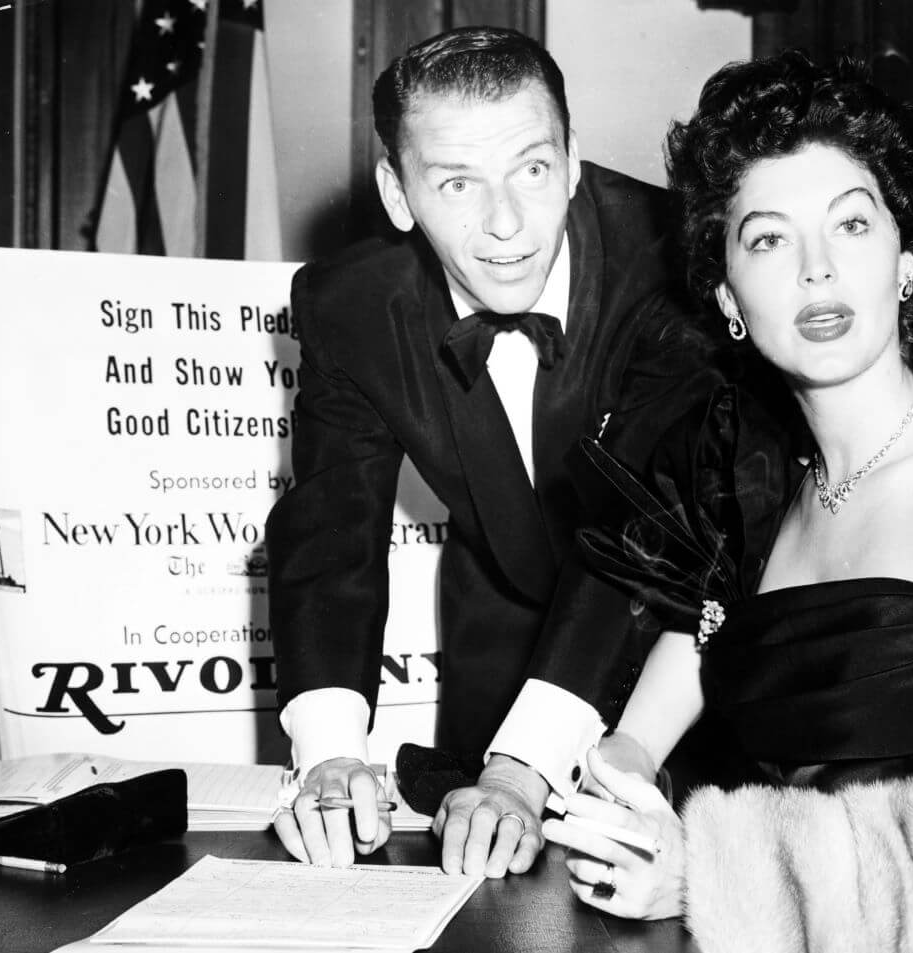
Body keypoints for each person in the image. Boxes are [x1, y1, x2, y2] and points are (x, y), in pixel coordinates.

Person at [542, 51, 913, 950]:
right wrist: (619, 781)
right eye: (769, 238)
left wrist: (706, 876)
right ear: (728, 298)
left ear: (906, 259)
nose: (817, 269)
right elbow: (655, 715)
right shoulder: (769, 505)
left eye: (853, 225)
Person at [265, 26, 718, 876]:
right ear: (398, 195)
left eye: (533, 170)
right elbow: (330, 534)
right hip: (504, 642)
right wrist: (327, 756)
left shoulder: (675, 262)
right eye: (457, 182)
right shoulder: (351, 305)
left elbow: (636, 529)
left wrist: (525, 767)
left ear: (574, 160)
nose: (506, 223)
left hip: (684, 657)